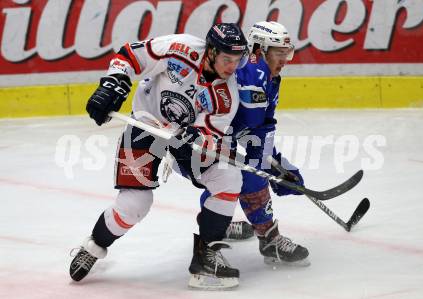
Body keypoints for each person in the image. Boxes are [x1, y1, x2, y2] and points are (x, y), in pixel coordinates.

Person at [69, 23, 249, 289]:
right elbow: (130, 55)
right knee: (134, 204)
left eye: (237, 60)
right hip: (145, 126)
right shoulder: (181, 49)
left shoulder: (226, 94)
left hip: (182, 141)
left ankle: (206, 254)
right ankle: (94, 245)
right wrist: (113, 83)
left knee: (228, 177)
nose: (232, 66)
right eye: (226, 59)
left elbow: (211, 133)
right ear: (210, 52)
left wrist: (197, 141)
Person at [200, 21, 310, 265]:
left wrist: (280, 165)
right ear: (260, 49)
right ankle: (269, 240)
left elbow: (262, 126)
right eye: (279, 54)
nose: (284, 60)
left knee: (240, 172)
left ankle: (220, 222)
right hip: (194, 139)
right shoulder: (250, 75)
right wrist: (268, 167)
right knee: (248, 176)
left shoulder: (267, 75)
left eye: (287, 54)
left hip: (219, 136)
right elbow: (252, 132)